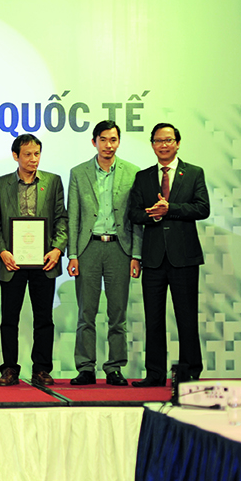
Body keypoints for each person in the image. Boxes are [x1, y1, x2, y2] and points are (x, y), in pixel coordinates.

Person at [128, 123, 210, 387]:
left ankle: (190, 373)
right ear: (152, 144)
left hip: (184, 257)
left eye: (168, 140)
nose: (163, 145)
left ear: (177, 143)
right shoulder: (143, 177)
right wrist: (153, 215)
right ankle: (154, 374)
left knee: (187, 318)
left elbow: (202, 208)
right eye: (158, 141)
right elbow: (133, 213)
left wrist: (170, 209)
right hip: (153, 258)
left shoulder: (194, 173)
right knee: (153, 319)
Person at [66, 121, 141, 386]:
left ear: (118, 142)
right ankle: (86, 367)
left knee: (117, 313)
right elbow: (73, 216)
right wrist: (72, 254)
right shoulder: (79, 172)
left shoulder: (133, 172)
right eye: (103, 139)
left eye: (113, 140)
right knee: (86, 312)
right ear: (94, 142)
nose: (109, 145)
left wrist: (136, 255)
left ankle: (114, 367)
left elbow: (136, 219)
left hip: (120, 248)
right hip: (89, 247)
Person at [0, 134, 68, 386]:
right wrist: (2, 251)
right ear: (15, 156)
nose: (33, 159)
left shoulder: (53, 182)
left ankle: (42, 369)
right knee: (9, 319)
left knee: (44, 318)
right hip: (11, 262)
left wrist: (57, 249)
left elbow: (61, 219)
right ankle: (9, 369)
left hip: (44, 262)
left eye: (37, 154)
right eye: (27, 154)